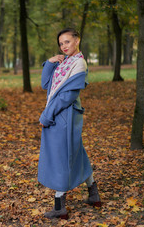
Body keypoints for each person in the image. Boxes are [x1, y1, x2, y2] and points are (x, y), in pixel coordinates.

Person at [38, 28, 101, 220]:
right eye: (61, 43)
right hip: (61, 114)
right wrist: (49, 63)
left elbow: (67, 96)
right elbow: (45, 85)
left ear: (77, 40)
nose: (64, 46)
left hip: (64, 115)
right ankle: (94, 194)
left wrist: (47, 115)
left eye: (67, 41)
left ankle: (60, 207)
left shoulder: (79, 63)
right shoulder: (65, 62)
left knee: (61, 157)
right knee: (76, 153)